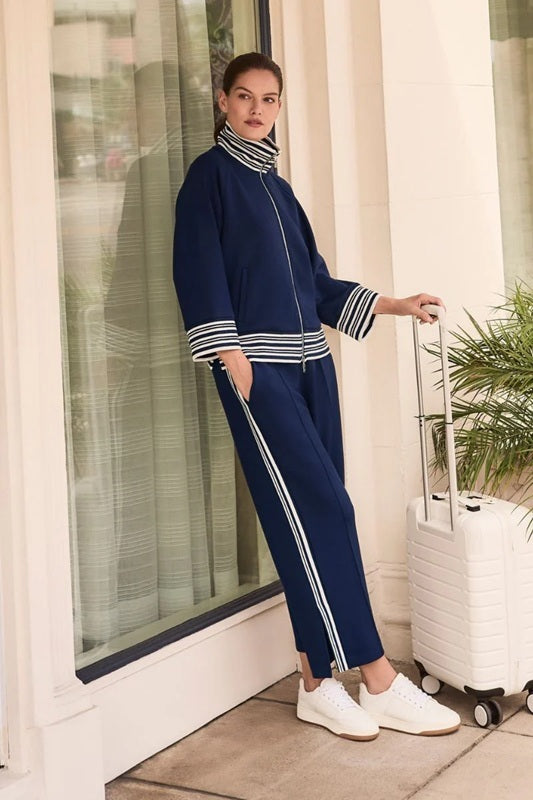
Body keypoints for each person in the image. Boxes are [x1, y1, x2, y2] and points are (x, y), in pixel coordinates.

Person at [172, 51, 460, 741]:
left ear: (279, 108)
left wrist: (392, 303)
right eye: (244, 97)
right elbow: (197, 272)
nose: (256, 110)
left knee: (306, 517)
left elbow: (316, 285)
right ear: (222, 101)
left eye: (268, 99)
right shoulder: (208, 179)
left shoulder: (279, 190)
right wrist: (234, 360)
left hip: (312, 368)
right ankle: (377, 677)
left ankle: (315, 680)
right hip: (260, 373)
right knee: (326, 508)